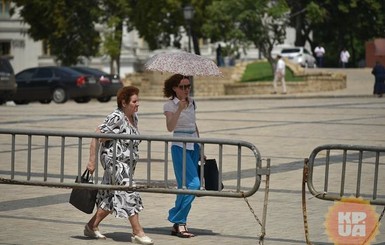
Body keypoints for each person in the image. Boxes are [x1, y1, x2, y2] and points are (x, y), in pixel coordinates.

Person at [85, 86, 154, 245]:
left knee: (109, 198)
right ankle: (138, 232)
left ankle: (91, 226)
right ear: (124, 102)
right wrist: (92, 160)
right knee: (128, 189)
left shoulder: (133, 117)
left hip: (126, 165)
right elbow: (97, 134)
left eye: (138, 101)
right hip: (114, 162)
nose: (138, 104)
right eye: (134, 101)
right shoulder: (116, 117)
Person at [163, 74, 201, 238]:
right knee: (193, 185)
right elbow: (170, 127)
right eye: (182, 87)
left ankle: (178, 223)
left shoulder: (192, 102)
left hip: (194, 145)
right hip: (180, 146)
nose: (186, 90)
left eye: (188, 86)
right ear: (174, 88)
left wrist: (202, 147)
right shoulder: (169, 105)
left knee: (183, 188)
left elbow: (194, 124)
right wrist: (179, 109)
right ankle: (179, 219)